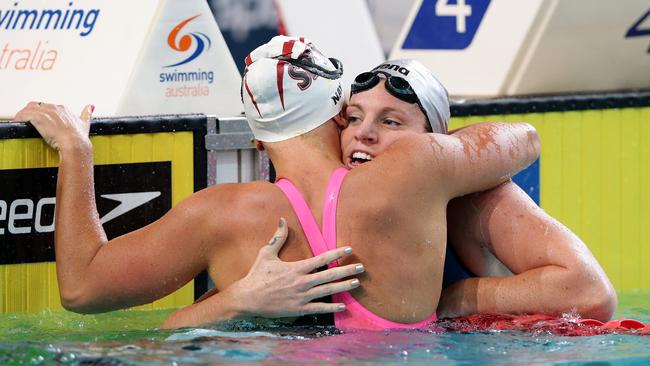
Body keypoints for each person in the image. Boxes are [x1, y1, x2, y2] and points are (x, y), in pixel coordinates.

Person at [12, 36, 539, 330]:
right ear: (341, 114)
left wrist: (77, 153)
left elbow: (81, 291)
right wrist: (444, 150)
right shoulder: (418, 168)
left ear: (258, 142)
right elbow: (525, 138)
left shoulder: (219, 215)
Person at [338, 59, 617, 321]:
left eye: (390, 121)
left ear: (434, 139)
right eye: (354, 118)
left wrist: (457, 299)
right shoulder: (332, 193)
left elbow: (590, 292)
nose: (364, 133)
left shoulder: (471, 203)